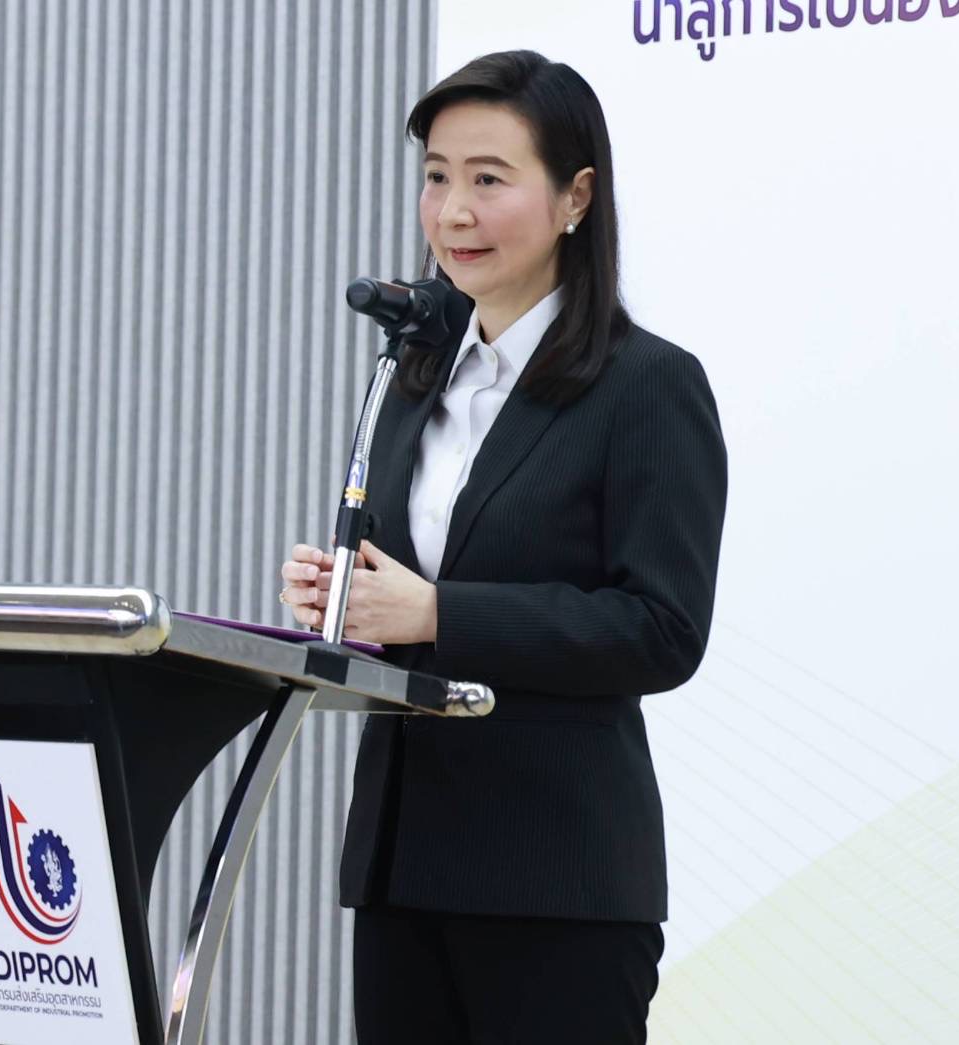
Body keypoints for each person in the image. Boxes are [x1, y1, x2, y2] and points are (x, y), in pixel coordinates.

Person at [277, 50, 728, 1043]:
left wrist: (439, 612)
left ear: (576, 198)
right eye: (436, 176)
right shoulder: (413, 379)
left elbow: (660, 629)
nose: (452, 212)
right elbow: (408, 604)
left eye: (488, 179)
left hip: (555, 881)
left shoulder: (646, 386)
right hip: (403, 866)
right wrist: (346, 599)